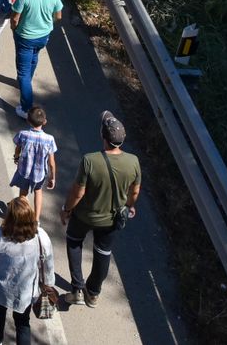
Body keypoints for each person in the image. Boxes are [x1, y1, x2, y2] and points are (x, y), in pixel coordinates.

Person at [62, 111, 142, 307]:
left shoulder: (90, 160)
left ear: (102, 136)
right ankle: (93, 293)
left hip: (83, 216)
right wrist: (129, 207)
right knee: (103, 253)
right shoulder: (133, 161)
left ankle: (77, 290)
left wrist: (66, 209)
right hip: (111, 220)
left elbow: (78, 192)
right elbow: (134, 191)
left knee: (74, 242)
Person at [0, 196, 52, 345]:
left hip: (1, 289)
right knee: (23, 323)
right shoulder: (40, 236)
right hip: (26, 291)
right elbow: (48, 262)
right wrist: (47, 282)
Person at [10, 0, 64, 116]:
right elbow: (58, 16)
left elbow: (15, 17)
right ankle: (27, 80)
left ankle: (26, 108)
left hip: (25, 37)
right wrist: (47, 24)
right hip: (43, 36)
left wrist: (14, 28)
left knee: (22, 72)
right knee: (34, 57)